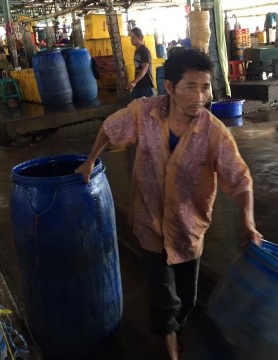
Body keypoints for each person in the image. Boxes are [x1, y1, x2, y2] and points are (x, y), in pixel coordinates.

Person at [75, 48, 262, 360]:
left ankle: (174, 330)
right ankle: (171, 351)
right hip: (150, 224)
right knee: (166, 300)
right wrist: (90, 160)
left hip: (189, 230)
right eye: (191, 87)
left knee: (187, 300)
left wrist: (249, 222)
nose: (200, 96)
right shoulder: (143, 113)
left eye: (206, 87)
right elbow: (110, 128)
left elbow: (240, 179)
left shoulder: (214, 132)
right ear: (170, 88)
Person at [128, 27, 155, 99]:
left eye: (133, 37)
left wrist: (134, 82)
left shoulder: (144, 51)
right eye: (131, 37)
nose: (131, 39)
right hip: (139, 85)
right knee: (134, 106)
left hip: (146, 85)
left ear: (139, 37)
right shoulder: (137, 51)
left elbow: (145, 68)